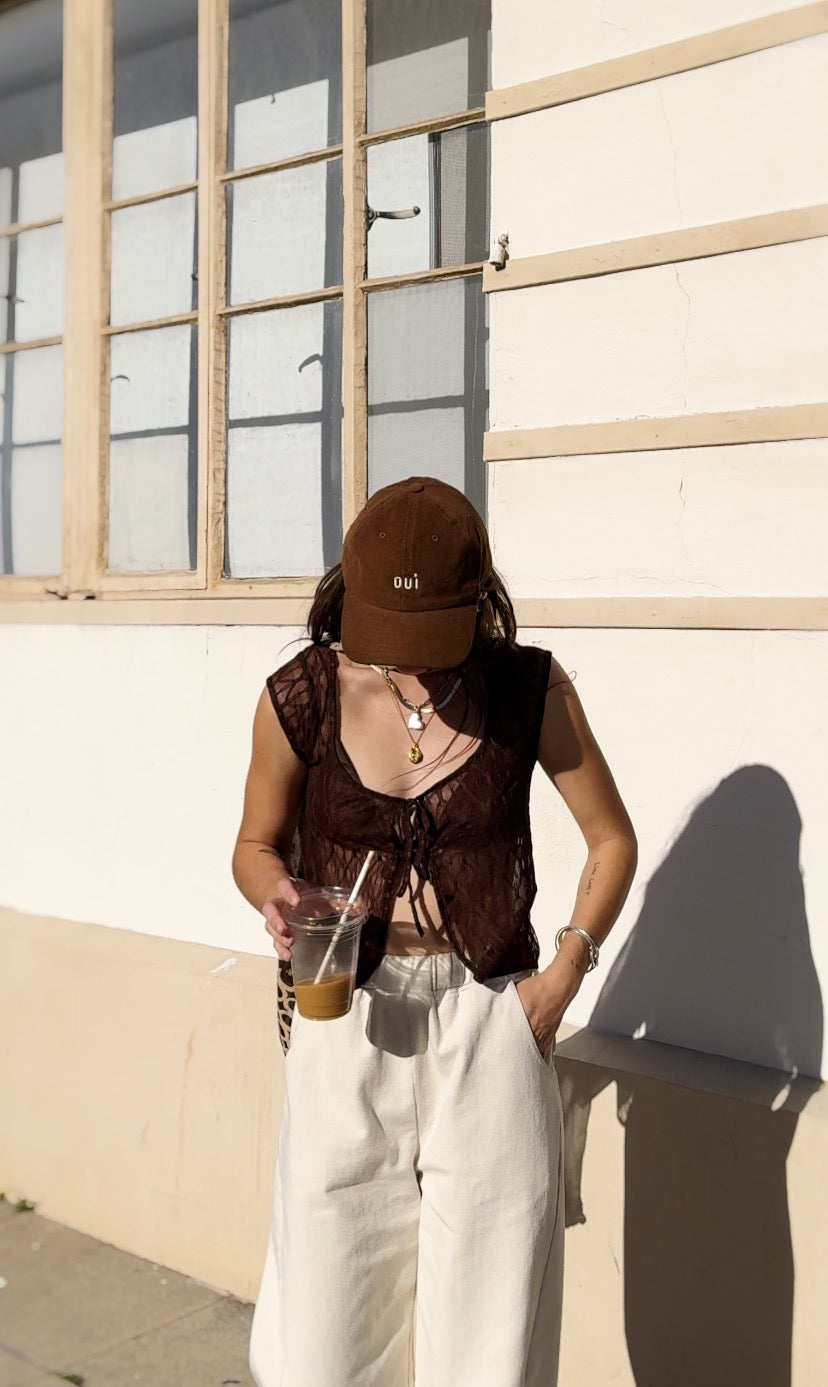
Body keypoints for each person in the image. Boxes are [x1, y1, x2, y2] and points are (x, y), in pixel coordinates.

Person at [232, 475, 637, 1387]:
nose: (412, 662)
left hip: (491, 1018)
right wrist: (276, 893)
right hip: (345, 1019)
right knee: (326, 1335)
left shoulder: (528, 688)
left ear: (477, 599)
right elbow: (254, 844)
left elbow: (611, 839)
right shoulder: (302, 694)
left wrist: (562, 976)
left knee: (488, 1343)